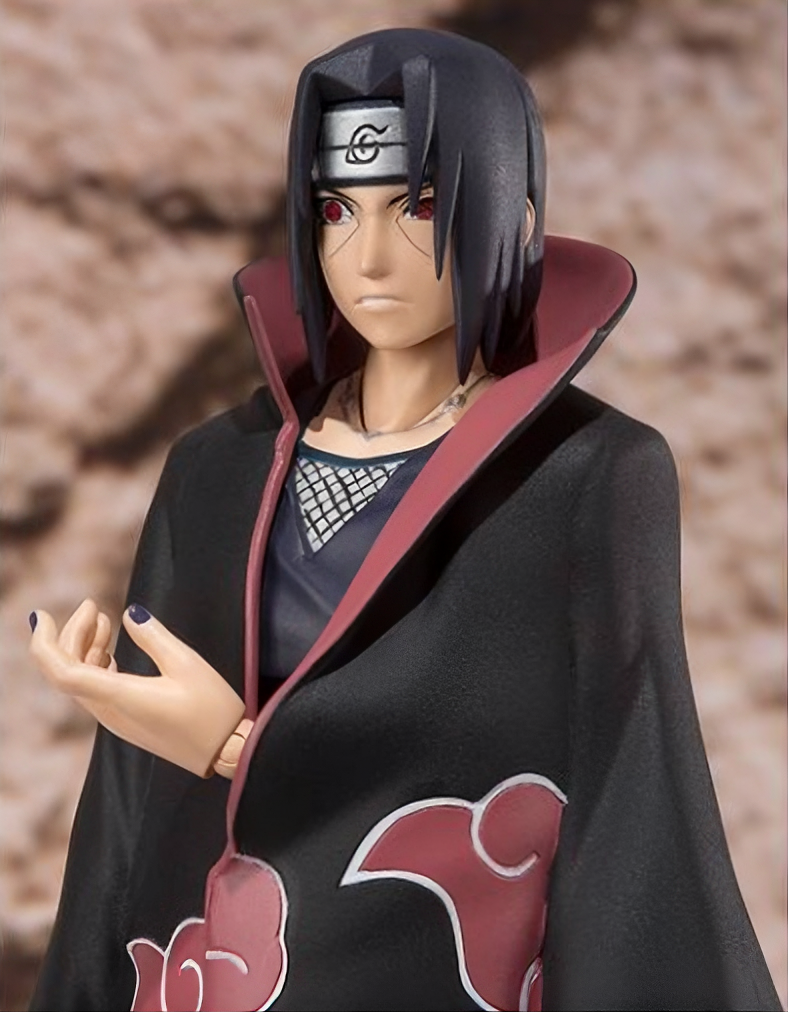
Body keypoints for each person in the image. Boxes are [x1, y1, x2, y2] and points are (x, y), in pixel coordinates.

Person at [28, 28, 781, 1012]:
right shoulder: (215, 469)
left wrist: (235, 746)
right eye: (336, 209)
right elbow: (124, 824)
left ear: (510, 212)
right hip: (221, 969)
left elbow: (630, 785)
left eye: (418, 207)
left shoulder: (589, 474)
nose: (369, 256)